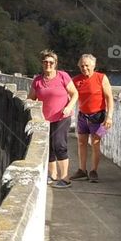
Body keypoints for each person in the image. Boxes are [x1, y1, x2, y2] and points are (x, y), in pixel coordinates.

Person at [28, 50, 77, 188]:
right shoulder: (38, 80)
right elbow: (31, 98)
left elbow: (75, 94)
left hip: (62, 116)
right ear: (42, 63)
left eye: (51, 62)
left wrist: (69, 107)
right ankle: (53, 175)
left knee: (59, 145)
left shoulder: (63, 76)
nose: (48, 64)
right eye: (45, 62)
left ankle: (65, 178)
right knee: (49, 147)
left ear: (55, 64)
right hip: (45, 119)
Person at [69, 53, 114, 182]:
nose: (84, 68)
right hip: (82, 116)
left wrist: (109, 117)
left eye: (87, 65)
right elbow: (68, 95)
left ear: (93, 65)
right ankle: (82, 170)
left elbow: (109, 98)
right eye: (82, 66)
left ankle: (94, 171)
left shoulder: (101, 78)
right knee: (81, 142)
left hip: (99, 116)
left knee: (95, 143)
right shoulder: (76, 80)